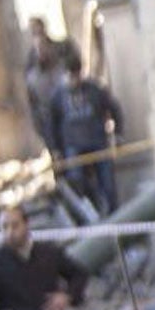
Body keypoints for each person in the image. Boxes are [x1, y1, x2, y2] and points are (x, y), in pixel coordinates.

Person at [49, 59, 126, 215]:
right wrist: (55, 149)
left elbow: (114, 108)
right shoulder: (58, 96)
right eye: (70, 76)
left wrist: (117, 135)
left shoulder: (94, 90)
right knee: (76, 182)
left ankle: (114, 215)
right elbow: (51, 124)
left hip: (98, 143)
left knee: (108, 184)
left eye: (76, 76)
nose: (73, 81)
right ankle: (88, 213)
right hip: (73, 146)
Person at [23, 17, 72, 155]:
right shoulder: (32, 66)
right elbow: (32, 96)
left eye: (39, 30)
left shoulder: (63, 49)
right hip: (47, 115)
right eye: (33, 31)